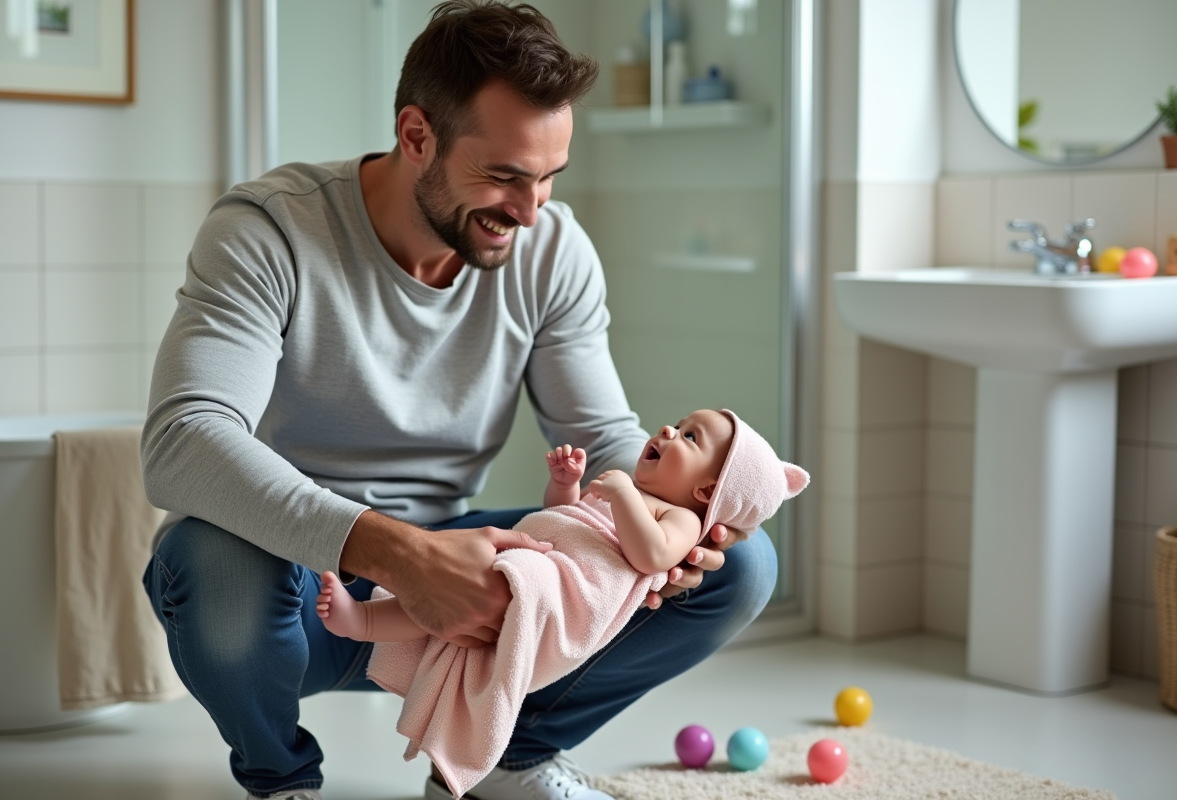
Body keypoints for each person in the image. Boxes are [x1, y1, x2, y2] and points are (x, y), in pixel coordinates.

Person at [139, 2, 780, 800]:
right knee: (212, 556)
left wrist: (679, 524)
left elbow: (602, 431)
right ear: (417, 136)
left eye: (548, 176)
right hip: (298, 585)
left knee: (743, 565)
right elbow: (182, 441)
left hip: (478, 584)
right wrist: (400, 554)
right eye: (506, 175)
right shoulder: (268, 232)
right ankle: (280, 779)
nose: (531, 209)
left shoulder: (552, 251)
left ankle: (503, 761)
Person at [315, 408, 808, 798]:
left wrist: (622, 497)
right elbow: (561, 515)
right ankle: (362, 618)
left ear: (705, 490)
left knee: (472, 602)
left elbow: (651, 555)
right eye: (679, 424)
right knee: (441, 606)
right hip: (537, 554)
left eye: (690, 437)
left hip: (559, 589)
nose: (667, 429)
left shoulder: (678, 520)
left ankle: (363, 622)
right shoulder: (631, 492)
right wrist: (567, 484)